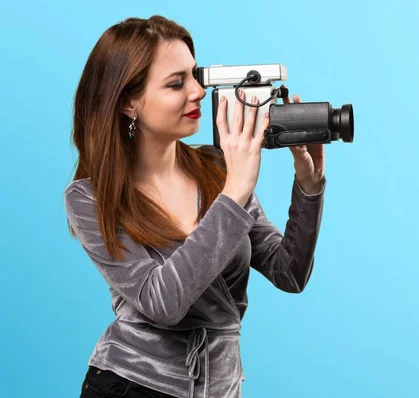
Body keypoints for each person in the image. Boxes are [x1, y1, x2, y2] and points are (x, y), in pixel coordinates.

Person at [64, 15, 326, 398]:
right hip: (132, 386)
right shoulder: (90, 198)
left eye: (195, 76)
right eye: (176, 83)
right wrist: (235, 190)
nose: (199, 92)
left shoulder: (216, 169)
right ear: (128, 102)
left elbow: (289, 273)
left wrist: (309, 186)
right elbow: (162, 302)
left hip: (219, 387)